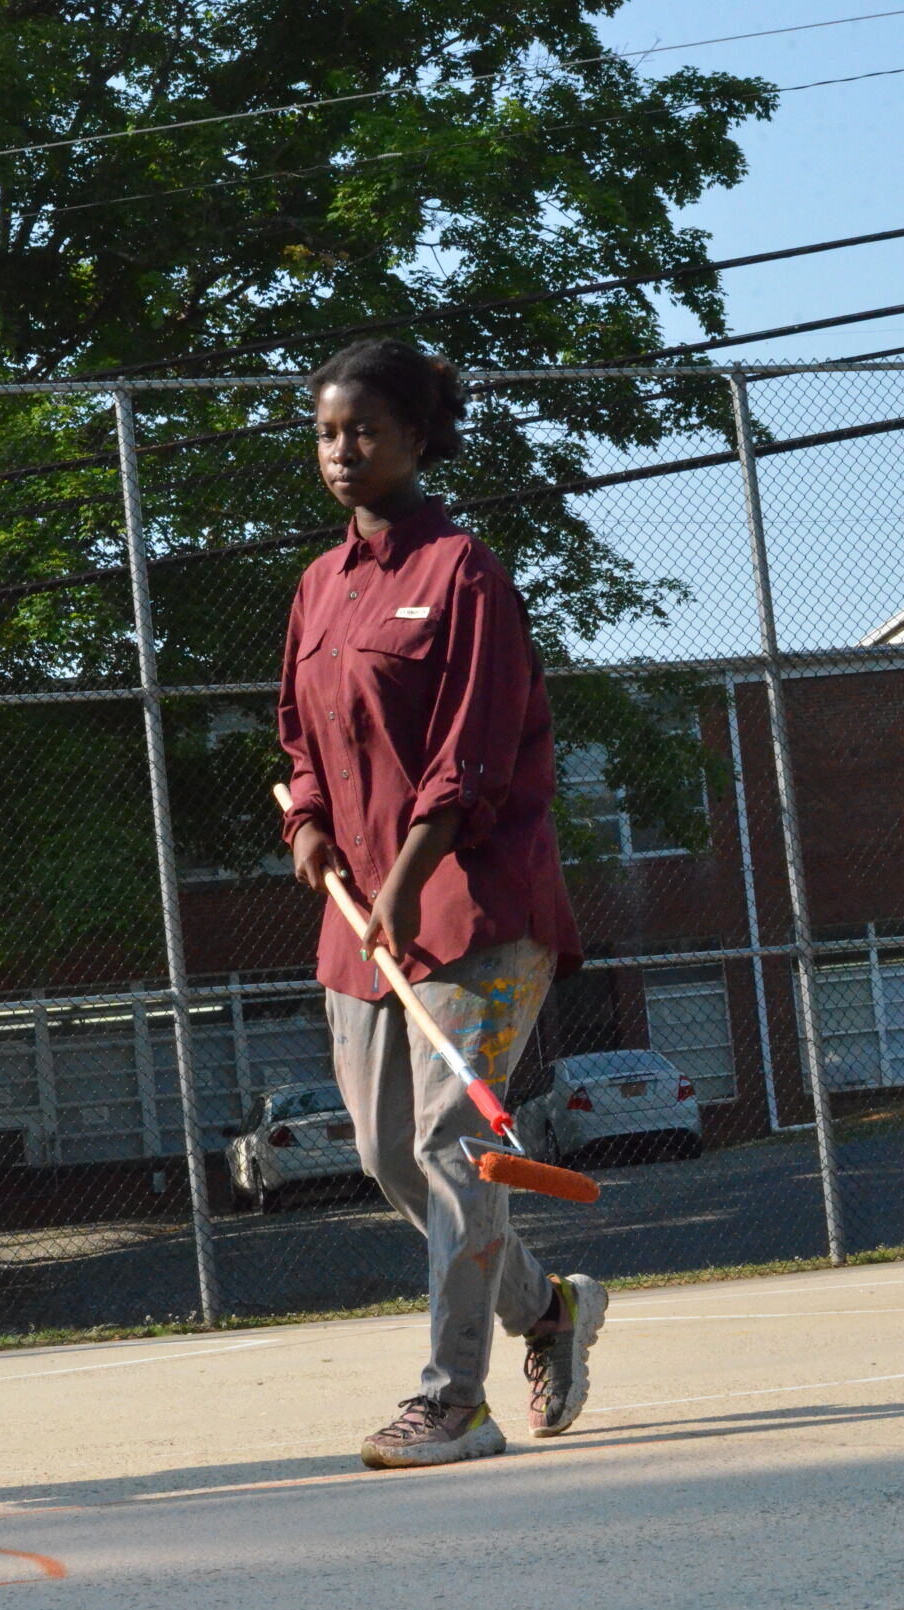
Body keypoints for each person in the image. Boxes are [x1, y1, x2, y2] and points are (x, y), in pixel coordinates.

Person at [278, 337, 607, 1470]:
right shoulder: (318, 587)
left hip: (472, 912)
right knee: (386, 1154)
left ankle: (450, 1401)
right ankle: (548, 1306)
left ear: (417, 436)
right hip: (358, 927)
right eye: (325, 431)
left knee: (452, 1142)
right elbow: (299, 742)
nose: (339, 451)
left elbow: (473, 759)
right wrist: (307, 825)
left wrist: (406, 885)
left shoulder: (463, 572)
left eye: (361, 430)